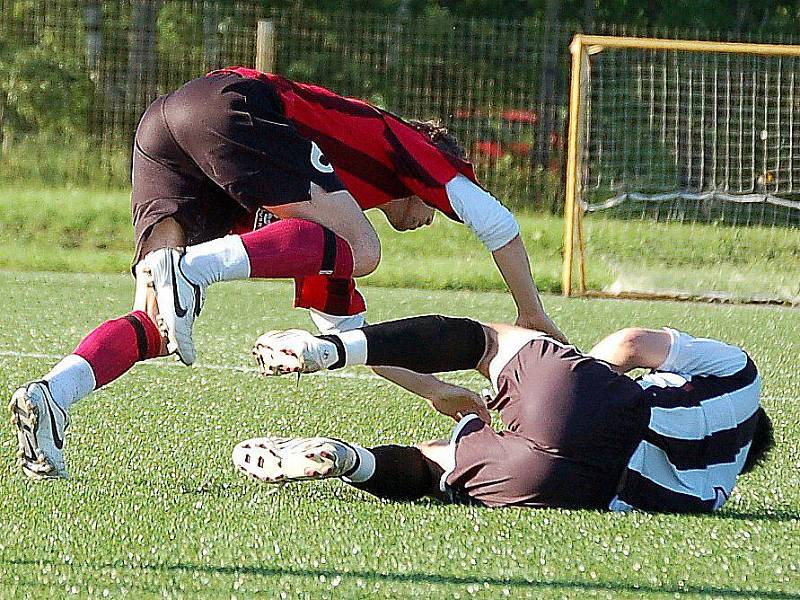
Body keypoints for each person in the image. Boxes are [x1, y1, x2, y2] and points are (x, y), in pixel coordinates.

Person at [10, 68, 563, 480]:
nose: (429, 219)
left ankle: (52, 395)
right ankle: (191, 270)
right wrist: (531, 312)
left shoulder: (320, 218)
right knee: (364, 250)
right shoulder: (409, 146)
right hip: (232, 103)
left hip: (162, 128)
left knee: (152, 323)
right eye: (431, 210)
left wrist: (434, 389)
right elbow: (497, 221)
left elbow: (348, 338)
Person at [236, 318, 772, 513]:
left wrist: (575, 380)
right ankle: (347, 460)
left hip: (605, 408)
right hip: (574, 488)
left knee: (485, 342)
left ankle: (329, 350)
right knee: (433, 470)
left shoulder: (742, 381)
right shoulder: (715, 493)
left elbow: (633, 344)